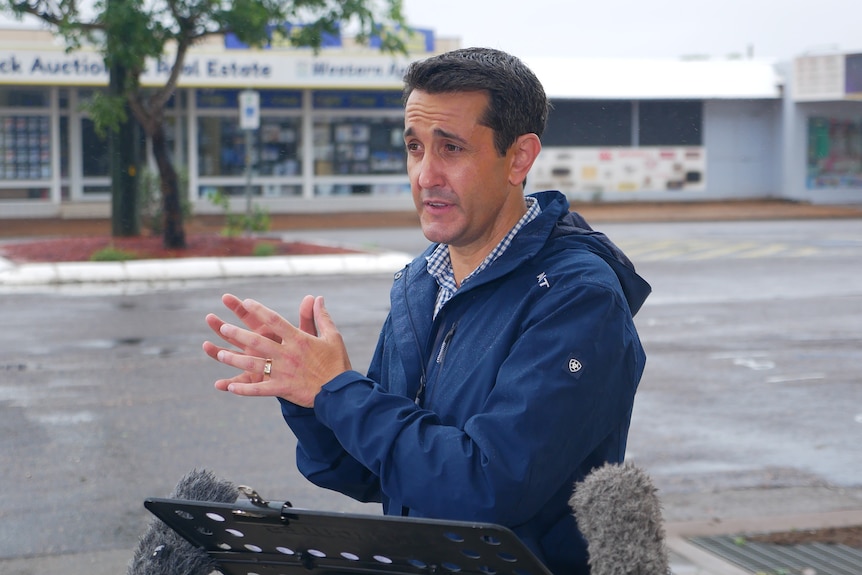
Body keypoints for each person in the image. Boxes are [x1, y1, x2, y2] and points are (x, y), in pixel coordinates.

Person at [203, 47, 651, 575]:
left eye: (452, 148)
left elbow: (488, 487)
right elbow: (374, 470)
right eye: (415, 148)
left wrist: (337, 391)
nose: (425, 174)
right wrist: (309, 397)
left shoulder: (578, 297)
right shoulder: (423, 282)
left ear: (520, 158)